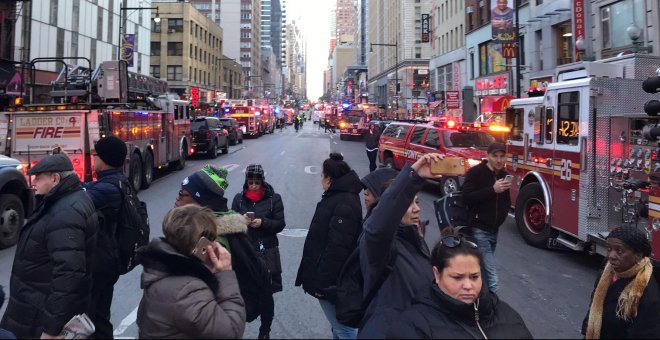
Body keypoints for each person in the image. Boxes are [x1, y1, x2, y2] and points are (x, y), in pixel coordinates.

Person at [0, 154, 98, 338]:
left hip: (37, 315)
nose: (34, 181)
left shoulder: (66, 213)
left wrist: (51, 329)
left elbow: (68, 275)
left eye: (39, 177)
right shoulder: (66, 202)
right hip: (33, 307)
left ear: (55, 179)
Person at [175, 165, 272, 334]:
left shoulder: (211, 241)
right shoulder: (205, 229)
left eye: (183, 194)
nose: (177, 199)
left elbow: (204, 296)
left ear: (199, 202)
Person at [386, 227, 532, 339]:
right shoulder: (413, 327)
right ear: (437, 274)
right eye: (457, 277)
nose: (468, 286)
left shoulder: (506, 314)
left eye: (474, 277)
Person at [358, 153, 444, 338]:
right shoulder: (379, 243)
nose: (417, 209)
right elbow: (378, 227)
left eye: (418, 202)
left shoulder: (415, 239)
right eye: (409, 203)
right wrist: (413, 177)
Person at [136, 204, 246, 338]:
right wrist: (225, 274)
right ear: (203, 245)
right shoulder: (187, 291)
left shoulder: (164, 267)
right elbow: (231, 332)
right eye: (212, 238)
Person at [296, 153, 363, 339]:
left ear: (329, 179)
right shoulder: (341, 197)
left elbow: (337, 249)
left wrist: (323, 285)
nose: (320, 178)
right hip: (332, 279)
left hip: (332, 281)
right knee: (338, 327)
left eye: (322, 175)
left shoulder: (343, 202)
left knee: (344, 329)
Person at [232, 164, 286, 339]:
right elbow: (230, 222)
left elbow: (280, 223)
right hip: (244, 252)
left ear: (262, 181)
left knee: (267, 294)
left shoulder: (274, 199)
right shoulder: (239, 199)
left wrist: (263, 223)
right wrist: (242, 222)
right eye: (250, 182)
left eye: (256, 182)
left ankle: (265, 332)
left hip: (266, 251)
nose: (253, 186)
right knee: (241, 291)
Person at [82, 136, 128, 339]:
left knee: (87, 321)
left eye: (95, 155)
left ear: (104, 159)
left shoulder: (107, 188)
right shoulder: (115, 182)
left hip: (99, 264)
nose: (93, 158)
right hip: (107, 261)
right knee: (99, 319)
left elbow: (78, 198)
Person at [582, 226, 660, 339]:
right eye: (609, 249)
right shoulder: (606, 272)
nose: (611, 256)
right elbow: (594, 305)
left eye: (620, 251)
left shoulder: (646, 290)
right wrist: (587, 330)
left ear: (638, 256)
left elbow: (646, 333)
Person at [461, 141, 511, 293]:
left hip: (493, 231)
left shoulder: (503, 175)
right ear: (487, 156)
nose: (498, 160)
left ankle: (477, 303)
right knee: (492, 279)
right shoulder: (476, 172)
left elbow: (506, 201)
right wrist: (492, 190)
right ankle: (493, 313)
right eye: (495, 156)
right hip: (479, 230)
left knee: (481, 272)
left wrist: (500, 218)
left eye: (502, 156)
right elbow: (466, 197)